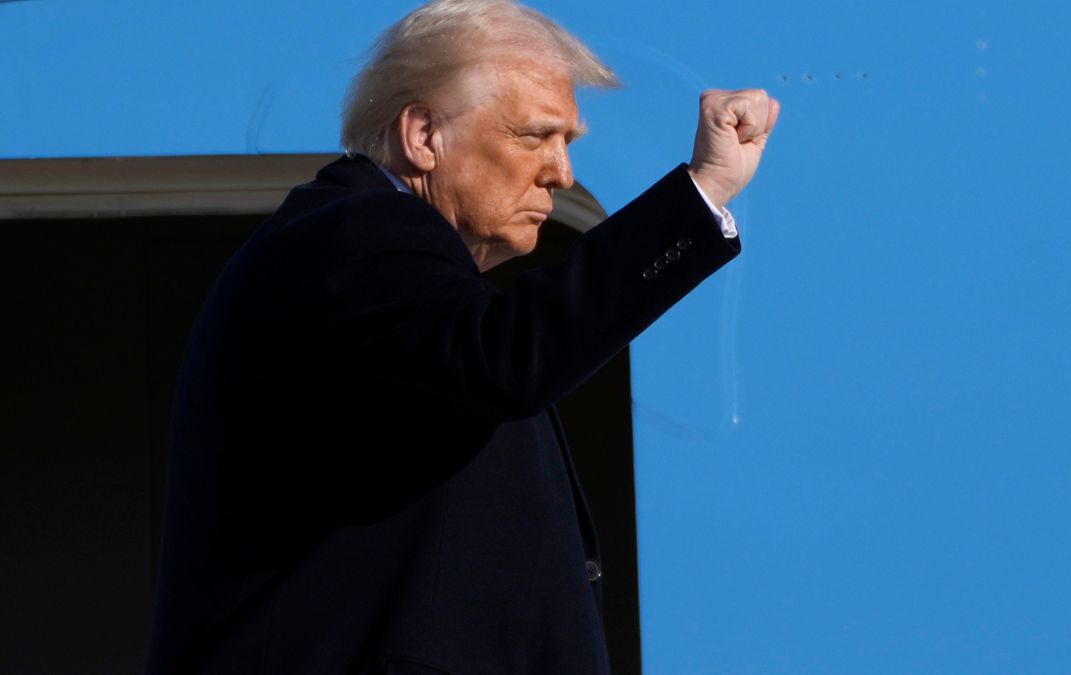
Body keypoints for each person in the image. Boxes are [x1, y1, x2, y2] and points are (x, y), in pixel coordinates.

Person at [144, 1, 779, 673]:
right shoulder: (360, 231)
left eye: (569, 142)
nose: (562, 173)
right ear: (423, 134)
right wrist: (702, 191)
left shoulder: (394, 280)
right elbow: (506, 357)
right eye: (536, 135)